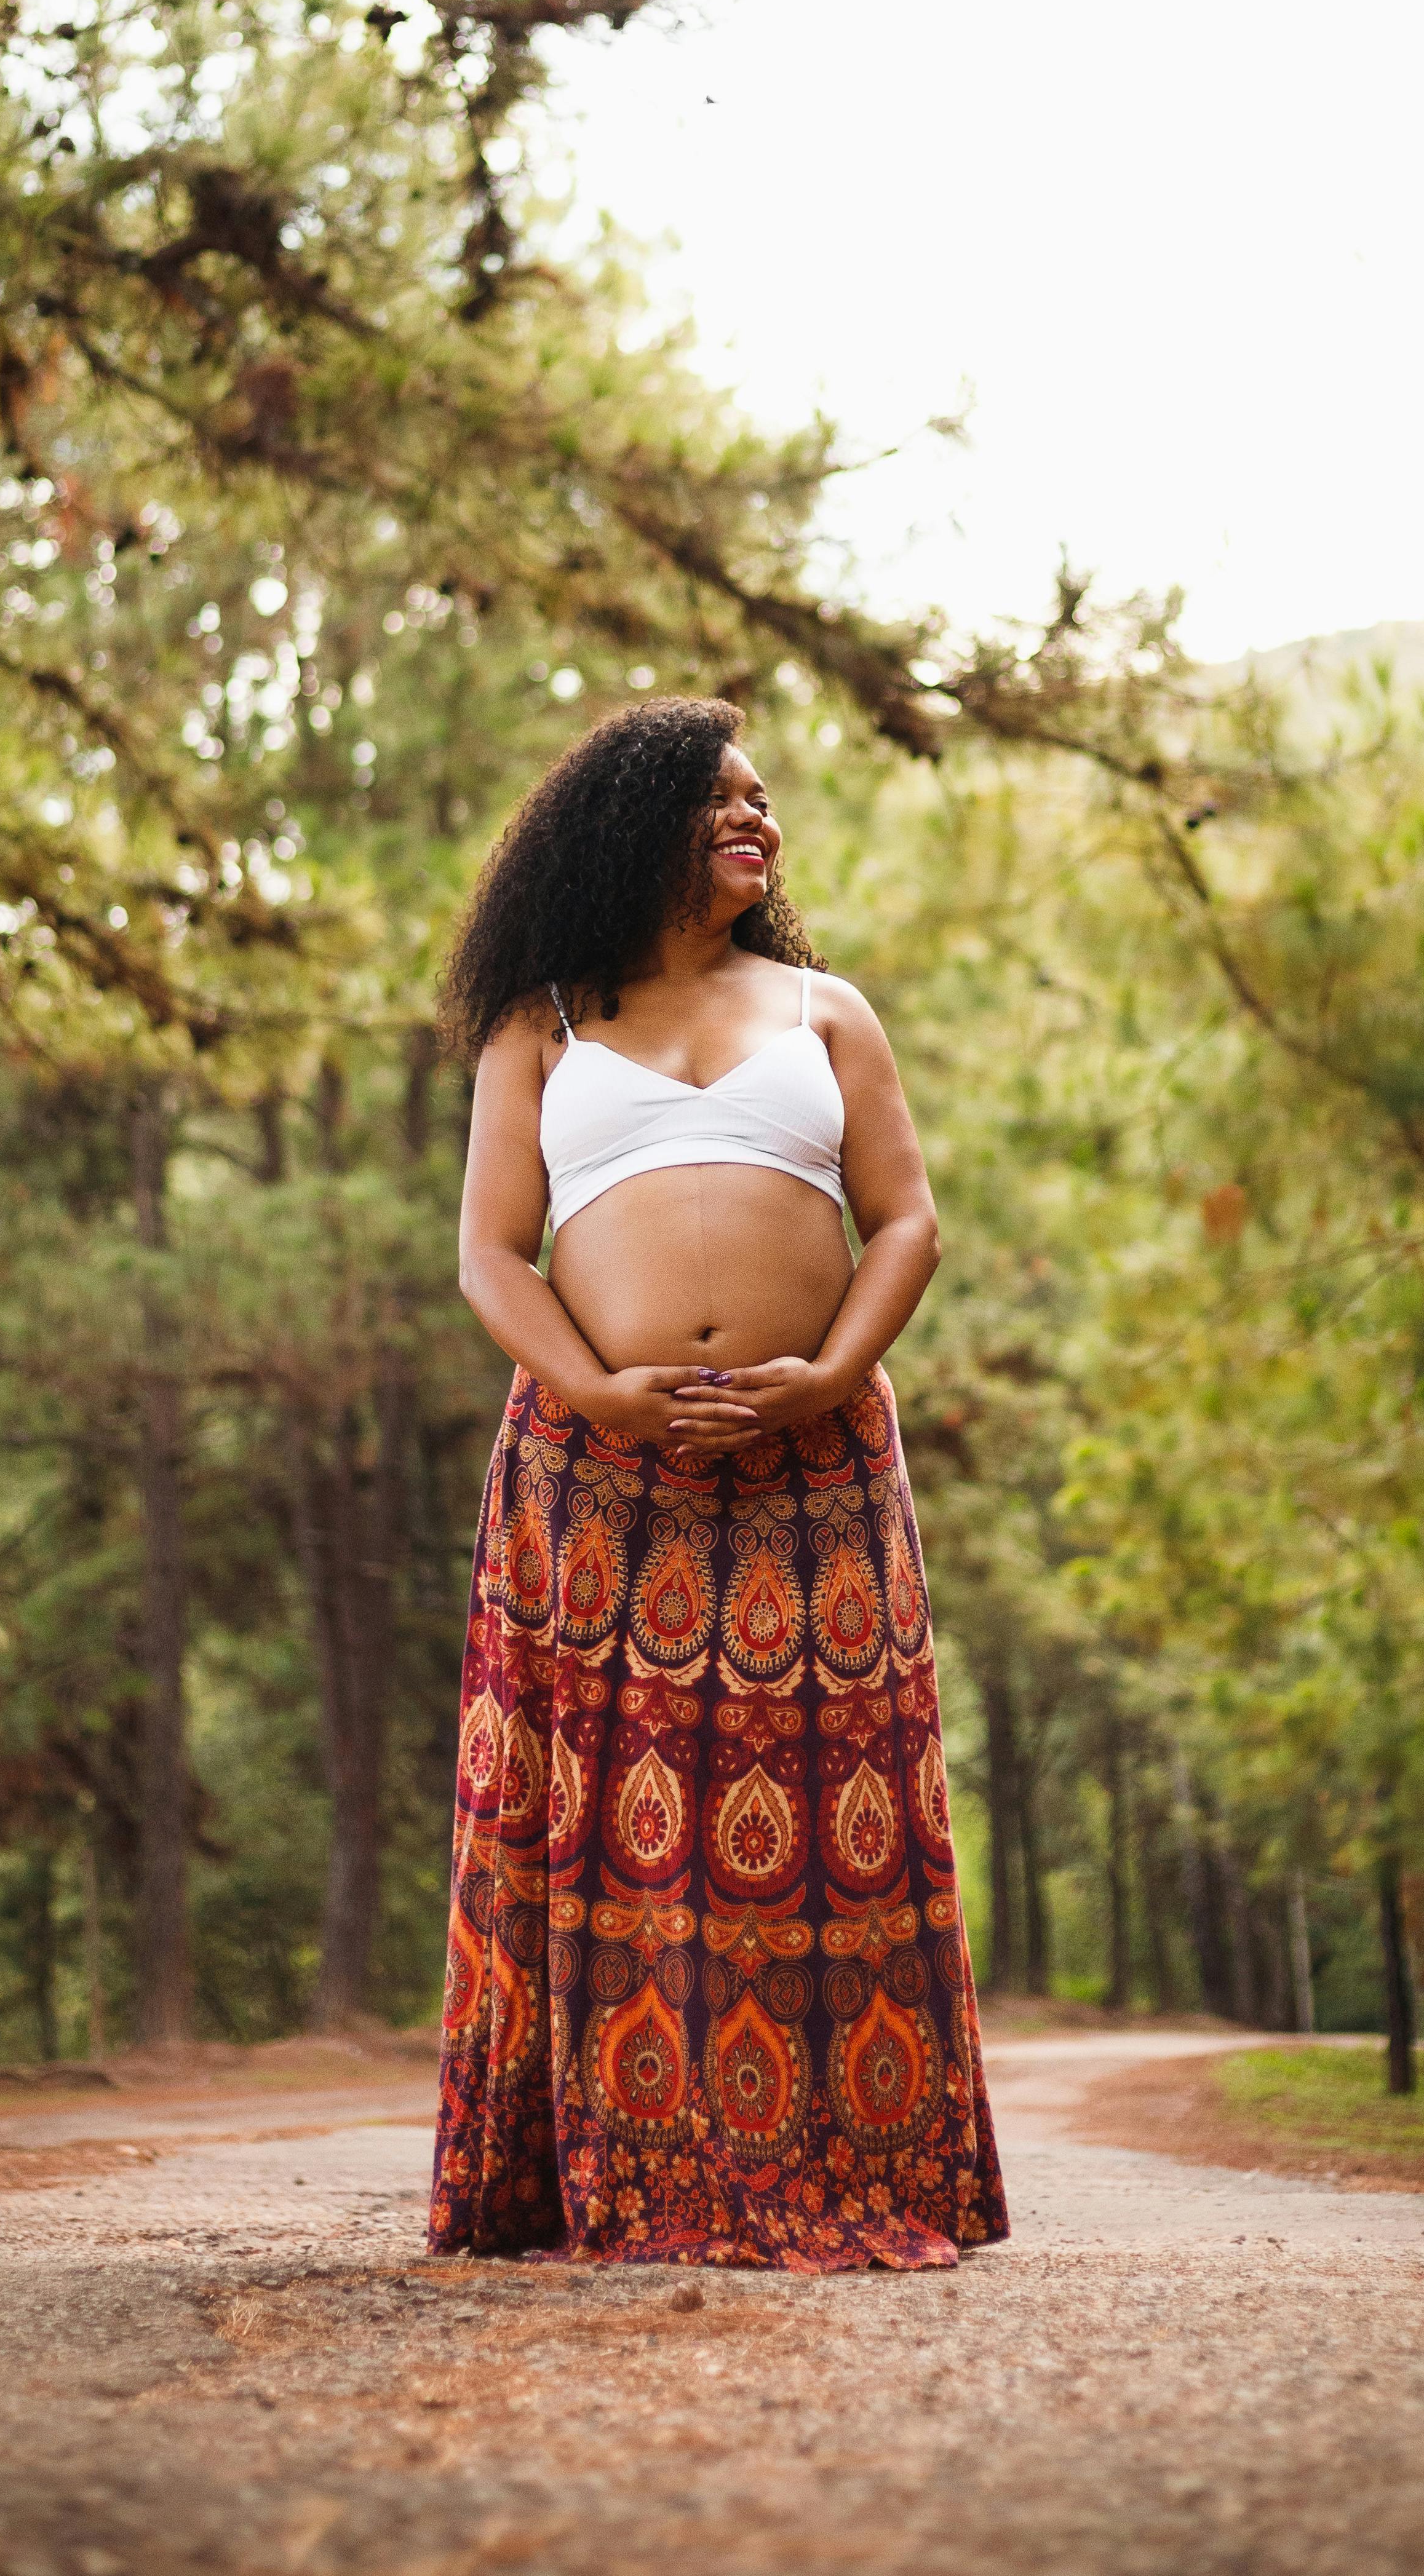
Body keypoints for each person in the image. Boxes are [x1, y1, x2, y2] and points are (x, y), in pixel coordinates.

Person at [426, 692, 1009, 2273]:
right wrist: (596, 1387)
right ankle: (599, 2166)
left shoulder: (825, 1011)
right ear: (633, 821)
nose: (756, 819)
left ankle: (846, 2155)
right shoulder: (540, 1020)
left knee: (828, 1822)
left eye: (764, 801)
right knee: (610, 1830)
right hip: (590, 1467)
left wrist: (825, 1373)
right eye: (720, 799)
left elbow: (907, 1222)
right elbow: (490, 1250)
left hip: (811, 1464)